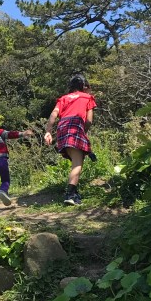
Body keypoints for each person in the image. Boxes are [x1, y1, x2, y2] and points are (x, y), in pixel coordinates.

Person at [44, 74, 97, 206]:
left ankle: (74, 190)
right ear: (85, 86)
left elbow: (53, 114)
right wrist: (83, 132)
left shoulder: (63, 98)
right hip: (75, 126)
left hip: (62, 127)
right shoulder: (87, 97)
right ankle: (71, 194)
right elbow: (89, 120)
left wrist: (48, 132)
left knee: (75, 158)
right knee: (77, 163)